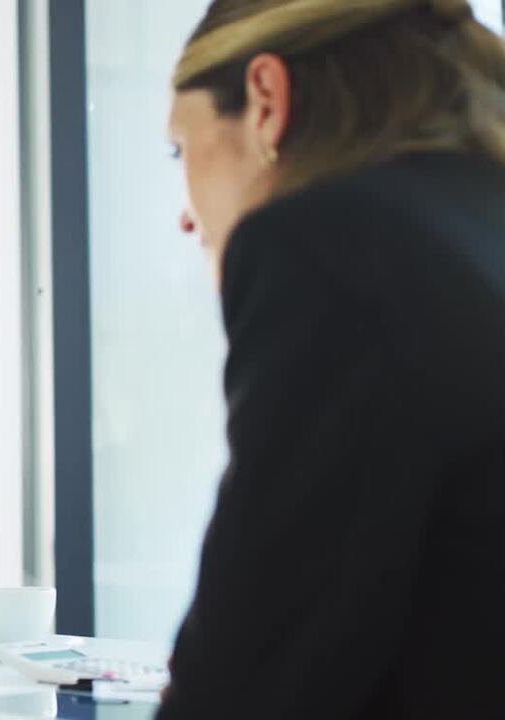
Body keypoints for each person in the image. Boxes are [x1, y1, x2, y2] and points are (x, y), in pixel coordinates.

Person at [160, 0, 505, 717]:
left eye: (180, 150)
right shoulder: (474, 228)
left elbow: (245, 687)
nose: (185, 215)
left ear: (265, 101)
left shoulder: (327, 247)